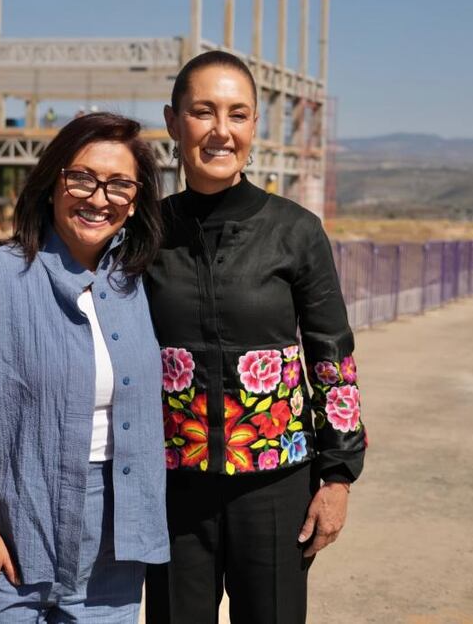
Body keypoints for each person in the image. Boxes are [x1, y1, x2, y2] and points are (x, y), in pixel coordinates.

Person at [0, 112, 168, 623]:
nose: (99, 198)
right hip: (12, 531)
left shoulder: (141, 285)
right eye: (82, 178)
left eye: (119, 184)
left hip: (115, 542)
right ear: (52, 183)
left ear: (136, 200)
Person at [144, 50, 366, 623]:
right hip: (174, 490)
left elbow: (332, 360)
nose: (221, 131)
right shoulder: (146, 234)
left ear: (253, 127)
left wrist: (337, 478)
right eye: (204, 112)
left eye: (237, 114)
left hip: (276, 487)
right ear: (173, 123)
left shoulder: (295, 231)